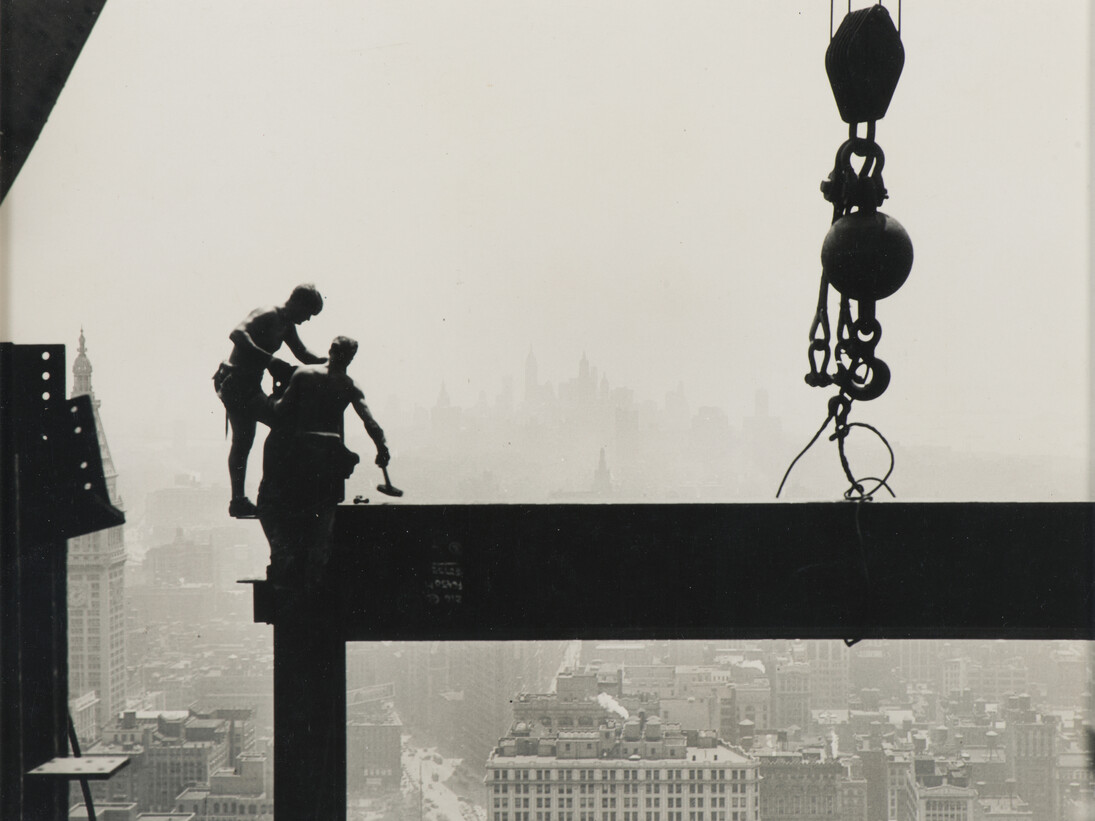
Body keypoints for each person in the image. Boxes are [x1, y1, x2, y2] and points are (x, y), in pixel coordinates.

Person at [256, 335, 391, 587]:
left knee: (276, 508)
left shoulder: (304, 375)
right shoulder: (350, 385)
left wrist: (266, 398)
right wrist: (381, 448)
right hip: (331, 456)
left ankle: (285, 565)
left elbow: (281, 411)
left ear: (330, 350)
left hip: (299, 452)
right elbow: (370, 422)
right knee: (321, 523)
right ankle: (313, 579)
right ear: (351, 357)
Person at [213, 284, 328, 518]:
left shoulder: (286, 325)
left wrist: (329, 364)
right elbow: (237, 334)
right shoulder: (268, 313)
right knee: (261, 434)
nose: (306, 320)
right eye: (307, 313)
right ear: (298, 303)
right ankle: (256, 496)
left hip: (251, 386)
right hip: (236, 384)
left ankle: (245, 499)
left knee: (249, 439)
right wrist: (270, 361)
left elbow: (302, 353)